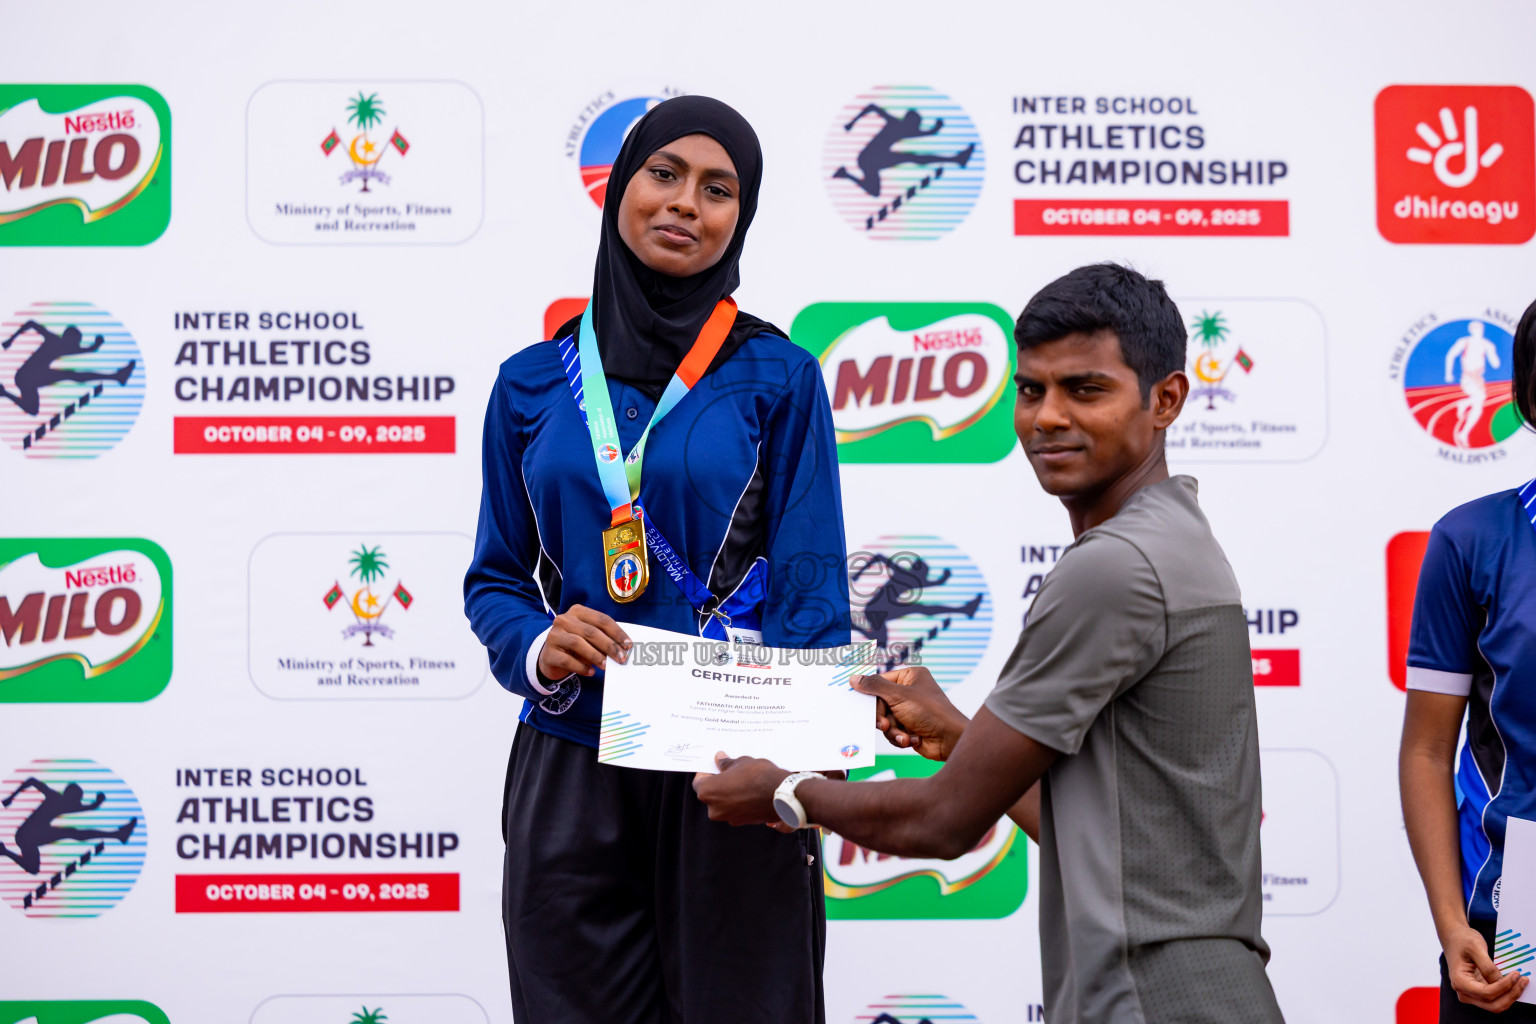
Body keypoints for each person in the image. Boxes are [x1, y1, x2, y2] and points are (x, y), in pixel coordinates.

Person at [695, 263, 1286, 1024]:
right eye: (1032, 389)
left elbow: (942, 824)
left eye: (1086, 389)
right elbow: (1103, 834)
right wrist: (966, 740)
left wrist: (782, 791)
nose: (1046, 417)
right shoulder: (1171, 537)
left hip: (1152, 1000)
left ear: (1166, 399)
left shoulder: (1115, 566)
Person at [463, 95, 850, 1024]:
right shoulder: (530, 382)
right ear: (620, 190)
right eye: (664, 174)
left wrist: (806, 756)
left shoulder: (779, 376)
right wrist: (534, 644)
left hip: (730, 757)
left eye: (719, 190)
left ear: (740, 219)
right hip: (572, 754)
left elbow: (809, 584)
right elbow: (496, 578)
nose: (686, 204)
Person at [1400, 299, 1536, 1020]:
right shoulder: (1473, 539)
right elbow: (1426, 750)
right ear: (1528, 399)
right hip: (1512, 938)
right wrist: (1454, 928)